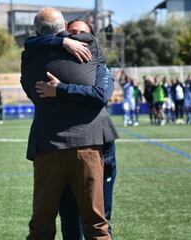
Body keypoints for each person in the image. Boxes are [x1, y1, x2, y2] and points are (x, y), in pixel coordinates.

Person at [21, 8, 118, 240]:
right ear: (64, 25)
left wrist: (59, 89)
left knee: (41, 227)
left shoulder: (30, 55)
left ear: (36, 30)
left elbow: (30, 46)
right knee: (96, 223)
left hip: (48, 146)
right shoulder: (90, 46)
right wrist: (63, 41)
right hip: (87, 144)